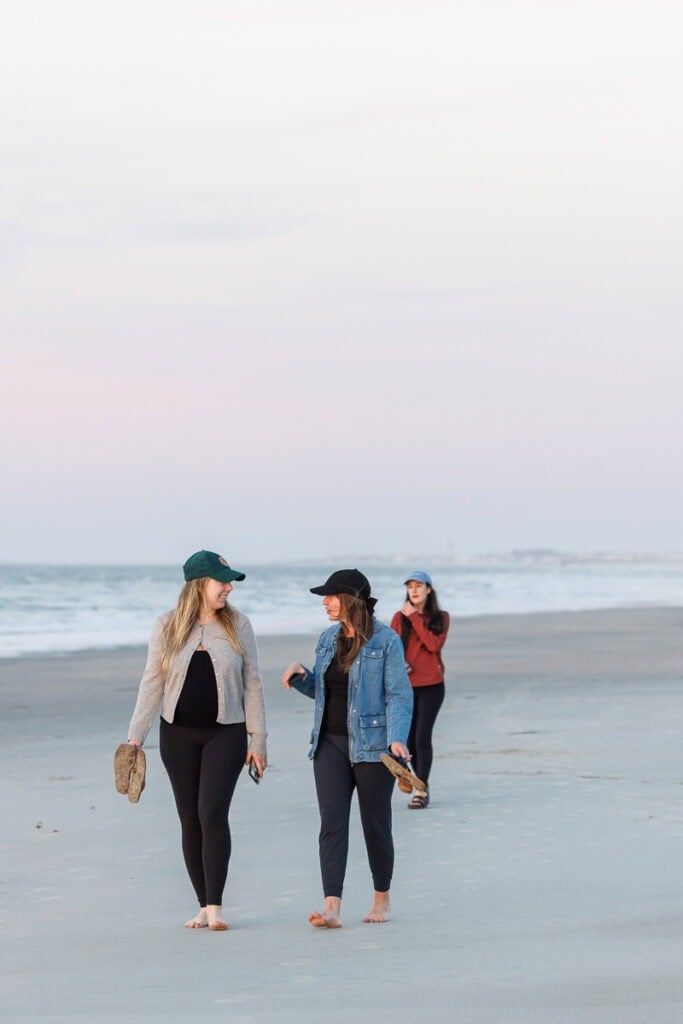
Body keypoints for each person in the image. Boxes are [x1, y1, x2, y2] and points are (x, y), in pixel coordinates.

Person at [125, 550, 267, 931]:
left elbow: (253, 683)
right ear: (200, 584)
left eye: (229, 582)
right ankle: (203, 905)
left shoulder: (239, 624)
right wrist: (135, 737)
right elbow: (152, 680)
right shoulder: (167, 625)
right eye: (222, 582)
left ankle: (217, 906)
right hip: (177, 735)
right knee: (189, 819)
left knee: (211, 813)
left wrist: (258, 741)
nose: (228, 589)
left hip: (227, 731)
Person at [281, 568, 413, 929]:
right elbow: (327, 694)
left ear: (350, 600)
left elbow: (399, 694)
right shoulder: (327, 639)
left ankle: (381, 898)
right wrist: (303, 677)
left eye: (331, 596)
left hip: (374, 747)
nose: (324, 602)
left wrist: (397, 737)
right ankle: (332, 906)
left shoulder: (386, 641)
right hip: (329, 744)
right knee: (332, 824)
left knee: (375, 824)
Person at [390, 571, 449, 809]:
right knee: (408, 740)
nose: (413, 590)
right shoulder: (398, 617)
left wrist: (415, 617)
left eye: (419, 586)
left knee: (423, 737)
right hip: (406, 688)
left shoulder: (441, 617)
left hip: (433, 686)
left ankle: (421, 789)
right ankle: (415, 779)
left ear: (429, 590)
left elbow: (434, 645)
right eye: (410, 586)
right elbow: (393, 648)